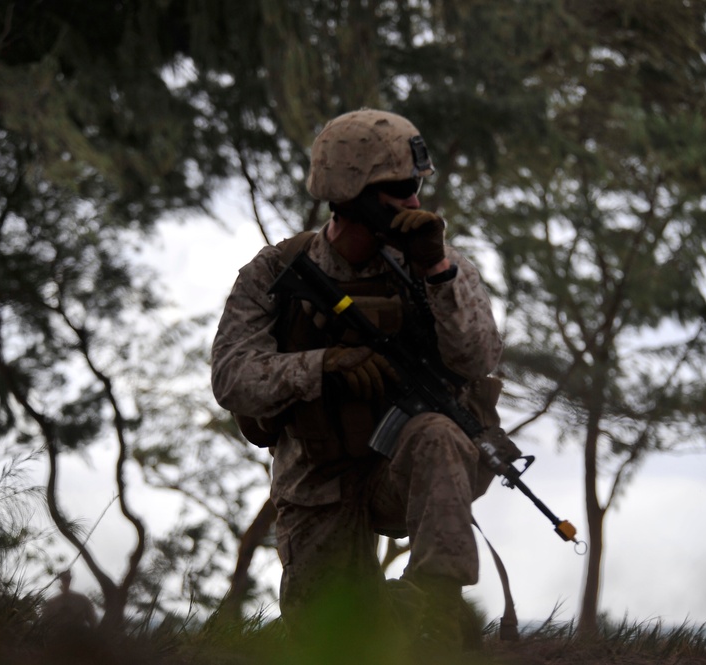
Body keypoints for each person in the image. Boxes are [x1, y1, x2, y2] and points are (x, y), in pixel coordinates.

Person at [211, 109, 506, 649]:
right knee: (333, 638)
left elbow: (478, 357)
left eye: (416, 185)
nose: (414, 200)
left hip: (400, 470)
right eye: (398, 188)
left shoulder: (440, 265)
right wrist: (319, 365)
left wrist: (437, 274)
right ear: (352, 194)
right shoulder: (275, 271)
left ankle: (440, 611)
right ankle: (391, 609)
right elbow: (232, 378)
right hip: (316, 482)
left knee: (440, 433)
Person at [40, 569, 97, 634]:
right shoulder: (51, 603)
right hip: (58, 637)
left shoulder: (82, 599)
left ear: (71, 580)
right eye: (64, 579)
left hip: (80, 636)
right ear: (59, 580)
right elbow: (44, 623)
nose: (66, 581)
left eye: (68, 579)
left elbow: (93, 621)